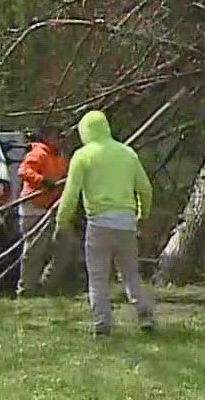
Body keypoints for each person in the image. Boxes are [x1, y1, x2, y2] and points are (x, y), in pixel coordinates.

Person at [56, 109, 156, 334]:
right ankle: (144, 315)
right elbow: (145, 189)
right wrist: (143, 214)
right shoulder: (128, 153)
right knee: (130, 273)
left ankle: (103, 323)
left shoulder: (82, 156)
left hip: (99, 223)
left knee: (98, 277)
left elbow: (70, 195)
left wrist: (61, 221)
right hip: (126, 222)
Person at [15, 127, 76, 296]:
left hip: (53, 208)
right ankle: (26, 290)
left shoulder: (60, 158)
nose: (61, 140)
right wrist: (42, 181)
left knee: (66, 245)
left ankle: (46, 285)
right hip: (34, 208)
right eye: (58, 136)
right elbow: (23, 171)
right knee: (34, 252)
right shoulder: (38, 153)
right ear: (47, 137)